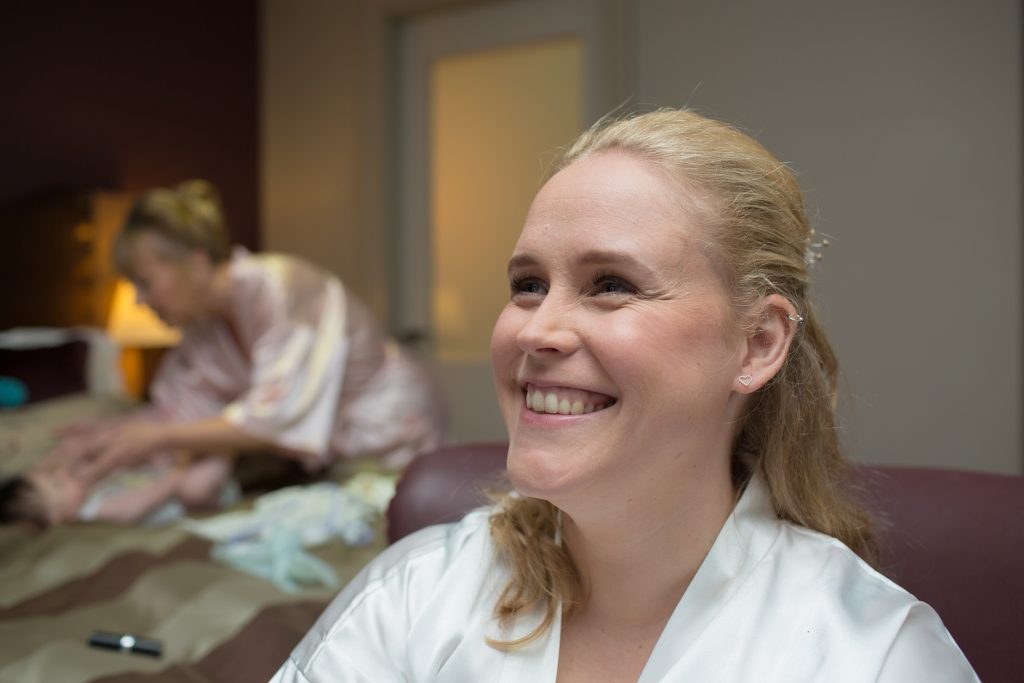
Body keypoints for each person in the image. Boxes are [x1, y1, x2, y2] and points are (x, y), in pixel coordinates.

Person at [269, 109, 978, 682]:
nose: (537, 330)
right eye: (527, 284)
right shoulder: (414, 597)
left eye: (611, 284)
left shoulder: (873, 656)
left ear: (757, 343)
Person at [11, 180, 445, 525]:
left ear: (196, 264)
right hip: (334, 462)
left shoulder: (283, 288)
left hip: (392, 435)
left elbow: (271, 416)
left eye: (145, 282)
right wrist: (109, 434)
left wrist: (157, 436)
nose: (141, 301)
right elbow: (179, 411)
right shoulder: (202, 330)